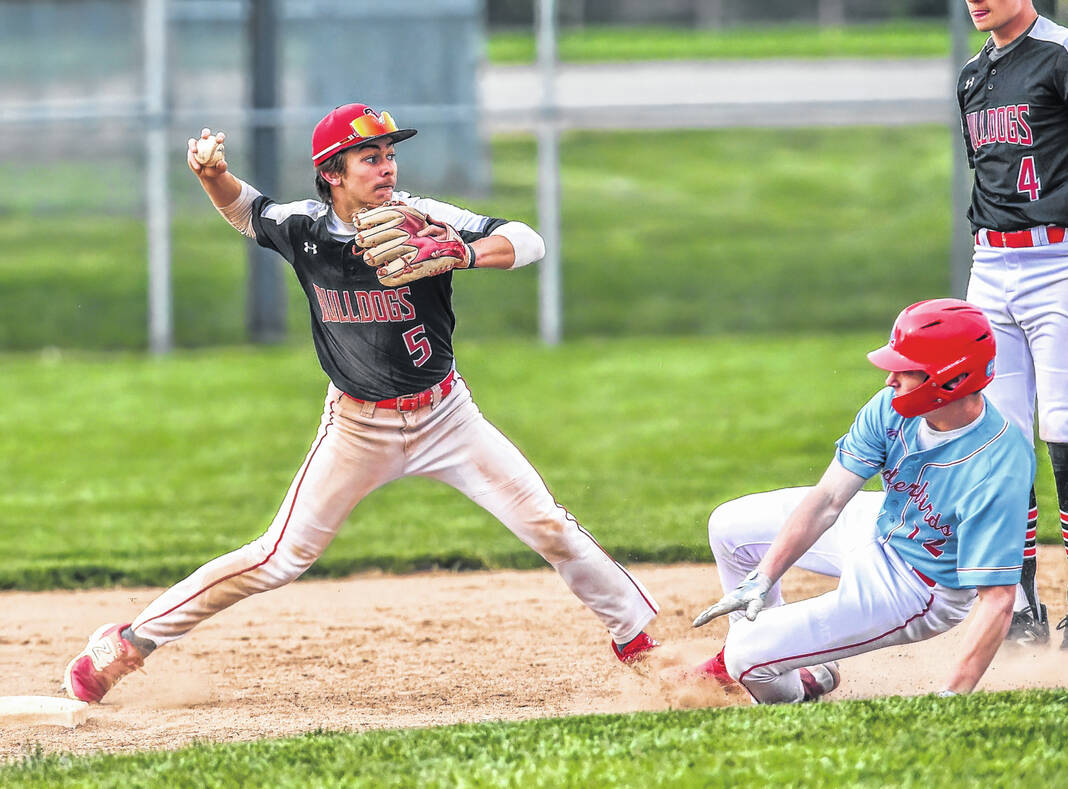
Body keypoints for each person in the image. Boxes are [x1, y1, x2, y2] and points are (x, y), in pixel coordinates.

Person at [63, 103, 659, 704]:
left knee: (548, 525)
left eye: (391, 154)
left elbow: (527, 240)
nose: (387, 167)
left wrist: (461, 251)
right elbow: (247, 212)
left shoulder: (422, 218)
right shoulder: (306, 228)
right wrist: (210, 173)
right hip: (355, 426)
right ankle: (129, 642)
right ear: (333, 173)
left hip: (446, 417)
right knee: (278, 557)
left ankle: (638, 641)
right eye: (369, 157)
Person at [690, 298, 1033, 703]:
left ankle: (794, 687)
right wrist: (762, 578)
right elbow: (829, 499)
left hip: (917, 587)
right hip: (880, 522)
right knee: (728, 525)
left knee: (745, 657)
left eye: (904, 371)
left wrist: (952, 698)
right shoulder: (894, 407)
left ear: (951, 381)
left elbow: (998, 599)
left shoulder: (998, 465)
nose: (890, 380)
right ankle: (782, 653)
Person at [957, 0, 1068, 646]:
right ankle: (1020, 606)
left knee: (1061, 425)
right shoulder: (973, 76)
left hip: (1057, 261)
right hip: (991, 266)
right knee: (1000, 438)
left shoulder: (1058, 56)